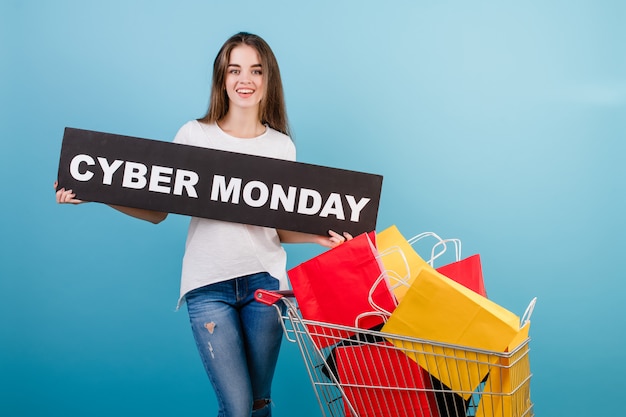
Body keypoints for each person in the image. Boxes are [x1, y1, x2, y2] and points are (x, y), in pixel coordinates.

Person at [55, 32, 352, 417]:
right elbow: (157, 210)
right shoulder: (194, 135)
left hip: (265, 285)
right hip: (208, 286)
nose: (245, 79)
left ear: (268, 80)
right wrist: (96, 191)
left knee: (259, 403)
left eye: (255, 70)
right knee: (237, 408)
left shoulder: (281, 147)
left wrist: (317, 237)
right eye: (235, 70)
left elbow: (275, 228)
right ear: (222, 78)